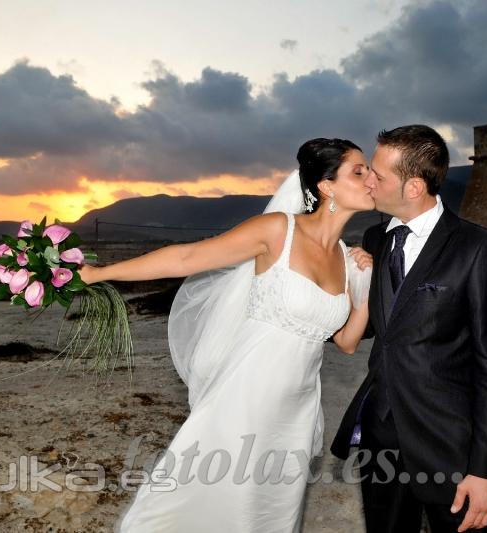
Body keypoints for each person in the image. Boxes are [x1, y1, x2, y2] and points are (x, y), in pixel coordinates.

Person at [78, 138, 375, 532]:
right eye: (360, 171)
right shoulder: (277, 231)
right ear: (326, 185)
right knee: (204, 502)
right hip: (242, 399)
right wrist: (99, 273)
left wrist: (366, 285)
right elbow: (186, 257)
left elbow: (348, 342)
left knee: (269, 515)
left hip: (296, 413)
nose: (373, 178)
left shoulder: (348, 258)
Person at [330, 125, 487, 533]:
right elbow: (377, 328)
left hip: (449, 445)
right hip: (381, 439)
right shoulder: (375, 238)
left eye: (378, 175)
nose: (369, 181)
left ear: (414, 187)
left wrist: (485, 471)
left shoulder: (479, 248)